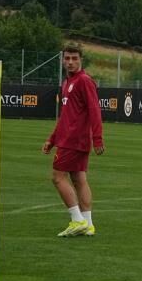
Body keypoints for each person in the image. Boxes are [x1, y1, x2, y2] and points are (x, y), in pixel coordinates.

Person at [43, 44, 104, 237]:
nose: (70, 62)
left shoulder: (84, 81)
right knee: (79, 179)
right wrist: (52, 139)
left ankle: (77, 219)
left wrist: (98, 138)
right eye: (67, 58)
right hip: (70, 139)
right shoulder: (67, 83)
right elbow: (65, 116)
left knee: (57, 177)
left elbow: (95, 110)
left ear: (81, 60)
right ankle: (88, 224)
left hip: (73, 139)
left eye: (74, 58)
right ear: (62, 60)